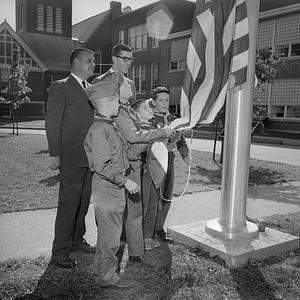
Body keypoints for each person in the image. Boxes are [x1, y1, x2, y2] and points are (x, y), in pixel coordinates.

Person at [93, 44, 174, 263]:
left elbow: (135, 119)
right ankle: (111, 250)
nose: (129, 63)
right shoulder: (101, 82)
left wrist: (149, 130)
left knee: (134, 208)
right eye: (125, 59)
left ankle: (135, 252)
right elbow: (120, 126)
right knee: (111, 211)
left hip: (133, 156)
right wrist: (156, 133)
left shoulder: (128, 85)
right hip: (113, 157)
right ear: (114, 58)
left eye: (131, 59)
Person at [84, 74, 138, 289]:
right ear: (106, 104)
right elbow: (102, 166)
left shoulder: (109, 125)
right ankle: (107, 277)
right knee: (110, 237)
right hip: (108, 188)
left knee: (112, 234)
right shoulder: (100, 130)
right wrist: (124, 181)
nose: (119, 104)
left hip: (112, 188)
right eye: (116, 100)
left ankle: (108, 273)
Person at [45, 48, 96, 268]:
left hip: (90, 157)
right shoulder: (61, 86)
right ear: (76, 62)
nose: (93, 64)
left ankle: (76, 239)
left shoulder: (92, 90)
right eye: (89, 61)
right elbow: (53, 121)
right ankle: (60, 250)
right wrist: (55, 153)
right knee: (68, 204)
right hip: (71, 157)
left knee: (83, 202)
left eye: (94, 61)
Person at [151, 87, 191, 242]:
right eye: (161, 100)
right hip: (155, 160)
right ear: (154, 101)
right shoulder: (150, 118)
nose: (164, 103)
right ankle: (148, 229)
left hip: (169, 159)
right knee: (154, 196)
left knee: (167, 195)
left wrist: (185, 155)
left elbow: (181, 140)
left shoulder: (174, 119)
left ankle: (159, 228)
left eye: (167, 100)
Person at [131, 99, 161, 251]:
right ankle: (138, 239)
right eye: (145, 107)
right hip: (143, 170)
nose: (149, 109)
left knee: (152, 205)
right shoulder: (136, 129)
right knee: (142, 205)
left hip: (154, 171)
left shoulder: (154, 127)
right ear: (136, 113)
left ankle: (147, 237)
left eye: (149, 106)